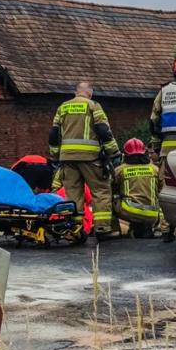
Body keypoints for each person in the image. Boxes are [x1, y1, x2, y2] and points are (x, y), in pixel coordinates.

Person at [50, 81, 119, 241]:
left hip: (67, 158)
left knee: (73, 193)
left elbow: (53, 133)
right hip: (90, 158)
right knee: (101, 191)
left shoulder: (63, 107)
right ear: (90, 93)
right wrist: (113, 151)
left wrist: (55, 155)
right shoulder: (93, 106)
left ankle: (76, 229)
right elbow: (103, 130)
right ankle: (102, 228)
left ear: (76, 93)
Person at [112, 138, 163, 237]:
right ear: (144, 153)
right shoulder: (155, 169)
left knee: (105, 199)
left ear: (125, 154)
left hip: (129, 212)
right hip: (152, 214)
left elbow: (111, 188)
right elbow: (163, 190)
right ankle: (157, 228)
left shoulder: (119, 170)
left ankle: (114, 230)